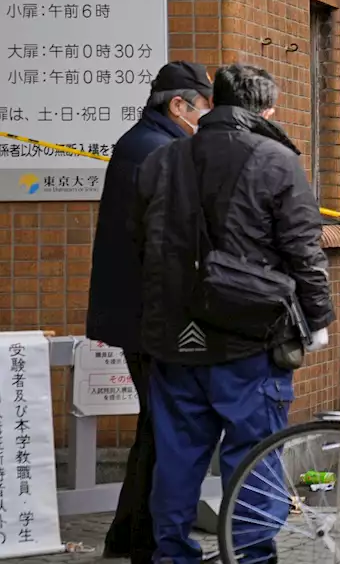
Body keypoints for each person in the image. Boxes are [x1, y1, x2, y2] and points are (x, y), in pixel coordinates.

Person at [132, 63, 333, 564]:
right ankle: (249, 554)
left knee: (177, 457)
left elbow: (143, 246)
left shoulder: (162, 160)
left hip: (175, 336)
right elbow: (304, 251)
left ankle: (173, 554)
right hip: (251, 336)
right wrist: (318, 320)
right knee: (254, 455)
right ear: (265, 110)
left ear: (214, 103)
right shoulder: (276, 160)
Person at [87, 61, 212, 564]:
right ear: (178, 105)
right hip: (150, 316)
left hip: (136, 312)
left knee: (156, 427)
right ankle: (147, 541)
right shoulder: (159, 151)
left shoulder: (142, 142)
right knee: (167, 428)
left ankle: (128, 535)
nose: (205, 117)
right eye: (203, 107)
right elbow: (168, 244)